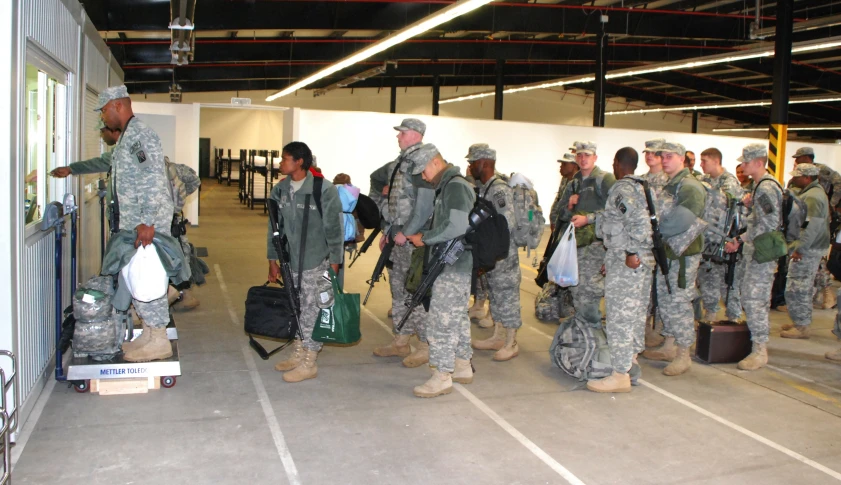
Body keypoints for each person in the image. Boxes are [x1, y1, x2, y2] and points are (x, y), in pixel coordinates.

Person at [94, 85, 178, 362]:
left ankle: (159, 339)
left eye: (104, 110)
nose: (103, 118)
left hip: (144, 224)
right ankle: (149, 334)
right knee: (135, 278)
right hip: (132, 224)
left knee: (149, 278)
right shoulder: (127, 137)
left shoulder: (141, 136)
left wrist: (148, 221)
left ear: (117, 105)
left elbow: (153, 180)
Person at [268, 141, 344, 383]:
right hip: (291, 262)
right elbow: (273, 227)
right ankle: (299, 351)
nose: (280, 163)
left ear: (299, 161)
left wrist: (335, 261)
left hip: (317, 261)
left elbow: (334, 228)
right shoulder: (279, 190)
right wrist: (273, 258)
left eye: (285, 158)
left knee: (314, 310)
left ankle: (310, 360)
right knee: (297, 307)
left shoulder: (323, 189)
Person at [405, 144, 475, 398]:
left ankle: (442, 374)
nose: (423, 177)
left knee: (441, 321)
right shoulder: (449, 185)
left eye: (423, 170)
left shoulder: (455, 186)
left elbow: (457, 226)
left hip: (452, 265)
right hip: (453, 263)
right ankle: (462, 365)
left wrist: (426, 237)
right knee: (456, 317)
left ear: (435, 162)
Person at [371, 119, 435, 368]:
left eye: (402, 133)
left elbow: (426, 204)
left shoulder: (423, 160)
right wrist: (387, 229)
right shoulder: (401, 160)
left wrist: (408, 232)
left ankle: (425, 345)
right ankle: (401, 340)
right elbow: (395, 199)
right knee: (398, 290)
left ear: (416, 135)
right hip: (397, 237)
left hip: (415, 240)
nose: (398, 137)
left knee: (415, 292)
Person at [587, 147, 652, 393]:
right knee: (634, 315)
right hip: (634, 260)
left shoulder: (622, 189)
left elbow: (640, 226)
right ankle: (631, 364)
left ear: (617, 163)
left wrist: (630, 253)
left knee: (620, 318)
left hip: (629, 263)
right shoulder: (641, 186)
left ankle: (620, 374)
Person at [642, 142, 705, 376]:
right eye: (662, 157)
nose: (664, 160)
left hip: (682, 255)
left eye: (669, 156)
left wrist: (653, 234)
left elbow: (680, 222)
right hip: (668, 253)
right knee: (667, 300)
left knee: (679, 301)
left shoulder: (689, 187)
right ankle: (670, 346)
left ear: (682, 159)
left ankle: (683, 353)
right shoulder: (672, 184)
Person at [723, 144, 782, 371]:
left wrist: (740, 239)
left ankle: (760, 350)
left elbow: (767, 224)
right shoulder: (759, 187)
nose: (743, 166)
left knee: (754, 301)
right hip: (757, 252)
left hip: (762, 253)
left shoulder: (766, 188)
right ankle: (757, 345)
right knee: (752, 299)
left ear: (758, 162)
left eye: (746, 162)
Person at [467, 145, 522, 361]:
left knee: (507, 295)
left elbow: (506, 222)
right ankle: (498, 337)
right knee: (497, 295)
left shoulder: (499, 189)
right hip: (493, 253)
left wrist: (492, 247)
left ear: (485, 163)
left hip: (503, 254)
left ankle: (512, 342)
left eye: (473, 162)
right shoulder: (486, 187)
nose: (470, 166)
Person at [563, 142, 615, 331]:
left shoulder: (605, 180)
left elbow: (616, 212)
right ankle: (583, 327)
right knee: (576, 287)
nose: (583, 158)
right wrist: (569, 206)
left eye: (587, 155)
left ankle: (593, 330)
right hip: (577, 244)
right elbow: (562, 216)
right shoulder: (575, 182)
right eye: (580, 155)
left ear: (595, 158)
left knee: (591, 289)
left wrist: (589, 219)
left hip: (596, 245)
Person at [780, 164, 830, 339]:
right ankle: (799, 322)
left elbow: (811, 226)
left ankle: (802, 326)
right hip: (810, 246)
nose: (794, 179)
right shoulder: (812, 193)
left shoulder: (813, 196)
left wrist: (800, 248)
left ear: (808, 178)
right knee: (798, 286)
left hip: (808, 248)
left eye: (798, 176)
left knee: (798, 287)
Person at [698, 147, 745, 322]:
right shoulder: (703, 180)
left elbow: (732, 214)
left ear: (716, 161)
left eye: (705, 161)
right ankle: (710, 313)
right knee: (707, 277)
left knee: (728, 281)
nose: (701, 165)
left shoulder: (729, 183)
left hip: (725, 241)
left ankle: (733, 318)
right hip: (707, 239)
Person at [792, 147, 840, 309]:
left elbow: (838, 182)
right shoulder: (804, 183)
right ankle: (819, 294)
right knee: (815, 264)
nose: (796, 161)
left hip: (818, 220)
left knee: (816, 262)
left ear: (806, 157)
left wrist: (832, 204)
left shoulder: (821, 171)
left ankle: (826, 292)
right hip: (811, 222)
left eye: (798, 158)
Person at [549, 152, 580, 231]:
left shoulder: (578, 184)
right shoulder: (565, 181)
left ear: (574, 165)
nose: (561, 167)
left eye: (564, 164)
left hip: (570, 227)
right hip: (560, 225)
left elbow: (531, 212)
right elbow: (559, 200)